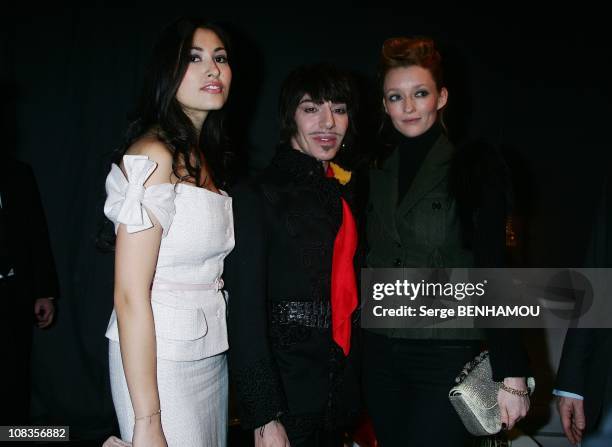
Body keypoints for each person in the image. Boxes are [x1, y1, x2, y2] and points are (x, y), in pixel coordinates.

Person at [362, 36, 531, 446]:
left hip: (446, 355)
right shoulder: (372, 168)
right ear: (384, 105)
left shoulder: (473, 166)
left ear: (441, 97)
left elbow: (493, 267)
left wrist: (512, 374)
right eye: (395, 97)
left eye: (420, 93)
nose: (408, 107)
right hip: (379, 354)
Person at [102, 17, 234, 447]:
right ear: (167, 73)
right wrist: (147, 420)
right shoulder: (152, 155)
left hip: (209, 352)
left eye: (220, 58)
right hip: (159, 364)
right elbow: (128, 295)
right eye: (194, 59)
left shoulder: (202, 156)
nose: (213, 69)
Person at [225, 63, 361, 447]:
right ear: (289, 117)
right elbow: (245, 314)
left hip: (339, 391)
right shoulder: (256, 195)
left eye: (339, 108)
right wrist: (264, 415)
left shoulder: (347, 193)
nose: (328, 122)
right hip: (286, 394)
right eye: (311, 108)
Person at [0, 157, 59, 425]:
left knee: (14, 374)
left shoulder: (16, 172)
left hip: (13, 290)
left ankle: (12, 434)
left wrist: (44, 291)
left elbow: (36, 229)